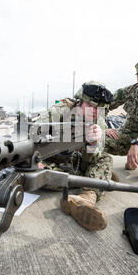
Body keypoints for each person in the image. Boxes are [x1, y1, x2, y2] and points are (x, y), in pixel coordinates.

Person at [34, 81, 115, 231]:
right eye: (91, 106)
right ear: (79, 101)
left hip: (77, 163)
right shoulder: (60, 110)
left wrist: (92, 144)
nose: (95, 112)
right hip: (54, 163)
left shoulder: (99, 121)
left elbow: (93, 156)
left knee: (105, 159)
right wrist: (35, 161)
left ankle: (85, 199)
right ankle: (94, 179)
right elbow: (32, 134)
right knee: (38, 174)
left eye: (99, 108)